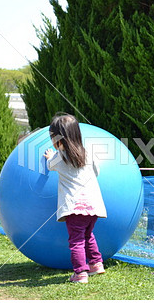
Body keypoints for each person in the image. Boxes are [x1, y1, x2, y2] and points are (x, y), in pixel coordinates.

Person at [43, 113, 107, 283]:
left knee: (76, 240)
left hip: (75, 206)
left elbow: (50, 166)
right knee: (88, 235)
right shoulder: (87, 153)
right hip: (93, 205)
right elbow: (97, 171)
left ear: (58, 138)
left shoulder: (59, 156)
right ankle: (96, 264)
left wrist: (49, 157)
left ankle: (80, 273)